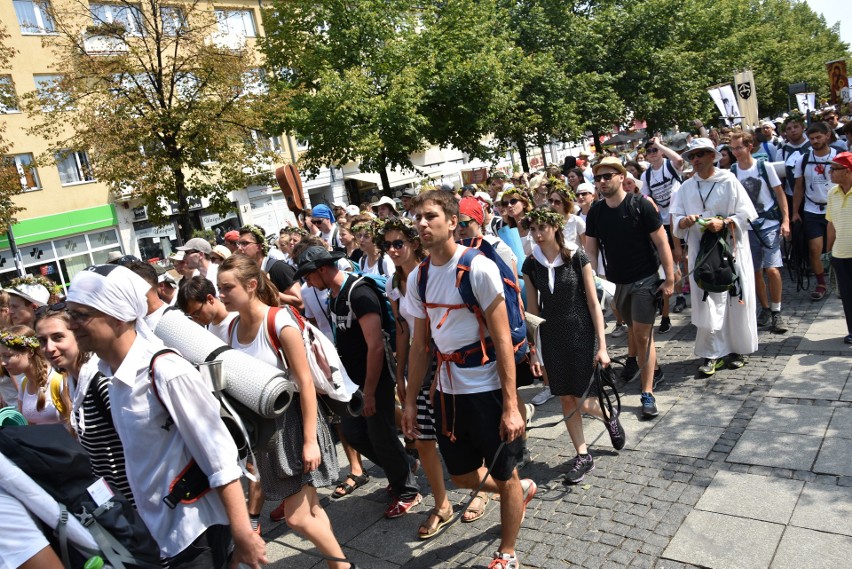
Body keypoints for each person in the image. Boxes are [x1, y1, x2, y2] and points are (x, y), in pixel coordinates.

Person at [64, 264, 266, 567]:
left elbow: (219, 455)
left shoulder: (165, 370)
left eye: (81, 315)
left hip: (197, 531)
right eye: (71, 315)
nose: (72, 324)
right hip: (161, 533)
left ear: (118, 316)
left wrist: (243, 532)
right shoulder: (115, 377)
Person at [402, 190, 537, 569]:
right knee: (462, 476)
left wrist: (511, 406)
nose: (422, 224)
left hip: (487, 389)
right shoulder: (419, 277)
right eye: (417, 217)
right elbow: (419, 346)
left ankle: (506, 552)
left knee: (504, 473)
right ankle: (521, 490)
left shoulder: (477, 267)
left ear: (451, 221)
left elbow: (503, 340)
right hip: (446, 392)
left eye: (430, 216)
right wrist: (411, 401)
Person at [216, 255, 354, 569]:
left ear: (251, 286)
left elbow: (305, 383)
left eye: (227, 287)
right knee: (313, 510)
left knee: (297, 517)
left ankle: (343, 566)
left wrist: (310, 441)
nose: (221, 294)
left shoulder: (279, 322)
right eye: (219, 288)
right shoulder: (232, 328)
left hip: (294, 425)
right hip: (267, 432)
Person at [295, 247, 422, 519]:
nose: (307, 283)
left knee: (382, 435)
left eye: (308, 276)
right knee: (354, 433)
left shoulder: (359, 293)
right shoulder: (333, 296)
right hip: (353, 382)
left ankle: (408, 492)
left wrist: (371, 392)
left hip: (374, 380)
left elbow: (375, 346)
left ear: (321, 269)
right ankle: (404, 465)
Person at [521, 207, 623, 485]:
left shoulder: (576, 256)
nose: (537, 235)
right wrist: (533, 349)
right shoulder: (531, 264)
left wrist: (603, 345)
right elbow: (532, 310)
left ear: (555, 227)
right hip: (551, 336)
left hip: (582, 332)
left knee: (581, 397)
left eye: (542, 228)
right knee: (565, 397)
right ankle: (582, 455)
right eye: (532, 230)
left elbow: (593, 303)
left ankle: (608, 416)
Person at [378, 217, 456, 537]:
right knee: (423, 438)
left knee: (456, 431)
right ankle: (442, 504)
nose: (393, 250)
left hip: (448, 357)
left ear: (413, 242)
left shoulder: (433, 272)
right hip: (418, 361)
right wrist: (399, 373)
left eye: (399, 243)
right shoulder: (393, 284)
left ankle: (479, 490)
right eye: (388, 245)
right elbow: (402, 330)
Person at [584, 157, 674, 419]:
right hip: (616, 282)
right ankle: (653, 368)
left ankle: (647, 393)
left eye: (607, 176)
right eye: (598, 178)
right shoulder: (596, 213)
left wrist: (669, 278)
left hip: (645, 278)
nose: (602, 182)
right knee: (633, 331)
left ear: (621, 176)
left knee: (644, 335)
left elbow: (661, 242)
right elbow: (591, 251)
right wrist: (592, 280)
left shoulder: (640, 205)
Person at [671, 138, 759, 376]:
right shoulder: (686, 187)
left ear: (712, 156)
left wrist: (726, 222)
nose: (695, 160)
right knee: (707, 299)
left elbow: (746, 214)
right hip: (702, 252)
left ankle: (737, 349)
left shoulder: (729, 180)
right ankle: (712, 353)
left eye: (700, 155)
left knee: (735, 295)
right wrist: (685, 221)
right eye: (692, 156)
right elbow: (675, 219)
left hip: (731, 250)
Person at [34, 304, 135, 504]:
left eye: (58, 337)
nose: (49, 348)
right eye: (42, 341)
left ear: (78, 334)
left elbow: (137, 447)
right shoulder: (72, 381)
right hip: (115, 502)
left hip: (136, 502)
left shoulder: (102, 382)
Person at [729, 131, 790, 333]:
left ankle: (777, 310)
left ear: (749, 146)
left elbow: (780, 194)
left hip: (769, 222)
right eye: (733, 148)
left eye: (739, 147)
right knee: (754, 272)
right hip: (747, 227)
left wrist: (786, 220)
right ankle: (764, 309)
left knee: (772, 269)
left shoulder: (764, 167)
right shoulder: (732, 171)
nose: (736, 151)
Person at [642, 137, 687, 329]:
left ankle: (687, 289)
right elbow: (645, 195)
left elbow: (679, 160)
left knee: (683, 258)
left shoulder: (669, 166)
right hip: (662, 221)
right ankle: (680, 296)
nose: (652, 153)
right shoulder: (647, 175)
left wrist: (660, 145)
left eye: (655, 150)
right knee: (672, 261)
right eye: (649, 151)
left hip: (679, 216)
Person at [792, 122, 840, 301]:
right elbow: (798, 187)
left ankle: (839, 279)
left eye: (818, 137)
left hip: (835, 208)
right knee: (815, 248)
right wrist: (795, 212)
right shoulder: (802, 159)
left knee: (836, 248)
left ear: (827, 136)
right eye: (811, 138)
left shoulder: (839, 156)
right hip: (812, 209)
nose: (815, 141)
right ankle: (821, 283)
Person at [0, 326, 70, 427]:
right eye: (1, 356)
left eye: (8, 356)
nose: (3, 363)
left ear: (29, 352)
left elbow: (74, 424)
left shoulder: (58, 382)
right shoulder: (24, 384)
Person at [238, 224, 303, 308]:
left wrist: (269, 289)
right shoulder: (251, 273)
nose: (240, 248)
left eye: (244, 243)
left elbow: (300, 302)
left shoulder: (277, 267)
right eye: (239, 243)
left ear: (259, 246)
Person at [826, 152, 852, 344]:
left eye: (834, 169)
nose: (830, 172)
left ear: (848, 171)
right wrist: (828, 252)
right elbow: (831, 224)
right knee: (847, 296)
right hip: (840, 254)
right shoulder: (832, 193)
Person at [176, 276, 236, 343]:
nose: (195, 320)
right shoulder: (209, 325)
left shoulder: (239, 321)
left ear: (210, 299)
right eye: (191, 316)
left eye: (196, 313)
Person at [547, 180, 586, 251]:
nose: (552, 204)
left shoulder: (576, 220)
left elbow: (587, 247)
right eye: (551, 201)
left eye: (557, 202)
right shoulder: (548, 222)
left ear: (565, 203)